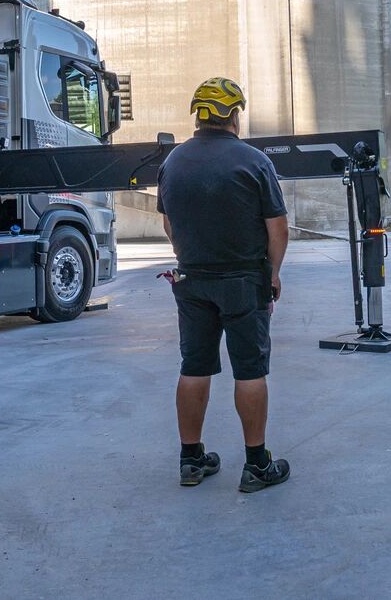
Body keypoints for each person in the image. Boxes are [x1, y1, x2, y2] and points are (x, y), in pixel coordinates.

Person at [157, 77, 291, 492]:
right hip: (242, 281)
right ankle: (257, 465)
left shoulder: (173, 162)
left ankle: (191, 460)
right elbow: (278, 229)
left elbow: (169, 223)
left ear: (199, 115)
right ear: (234, 114)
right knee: (249, 370)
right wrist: (273, 273)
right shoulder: (253, 161)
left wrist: (191, 258)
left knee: (193, 366)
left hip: (191, 279)